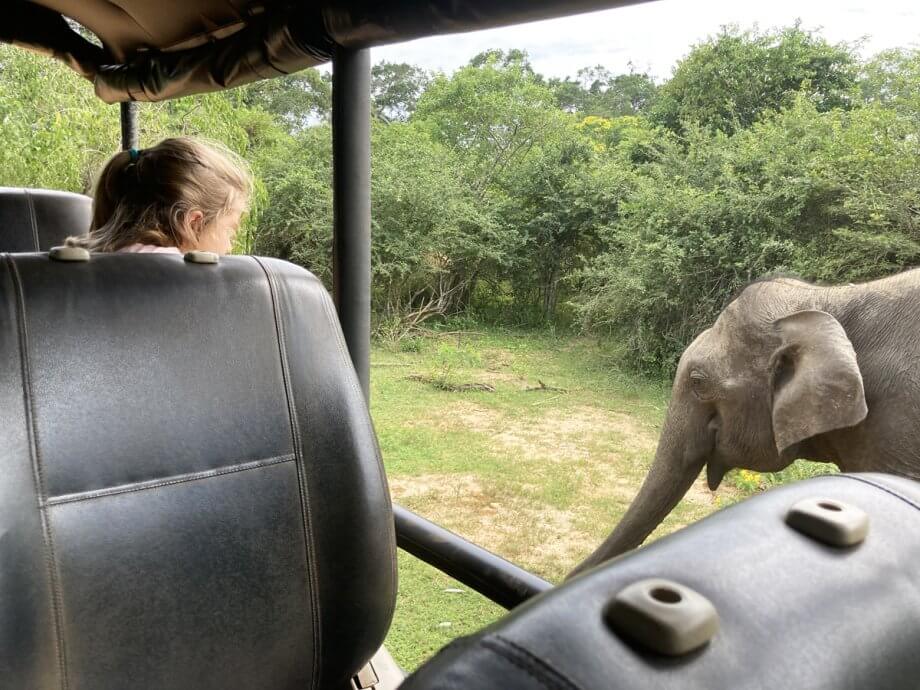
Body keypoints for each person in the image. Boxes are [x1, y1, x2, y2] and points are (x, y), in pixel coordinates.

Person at [67, 137, 252, 255]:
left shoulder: (80, 258)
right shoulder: (180, 278)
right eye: (230, 232)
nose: (229, 248)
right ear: (193, 224)